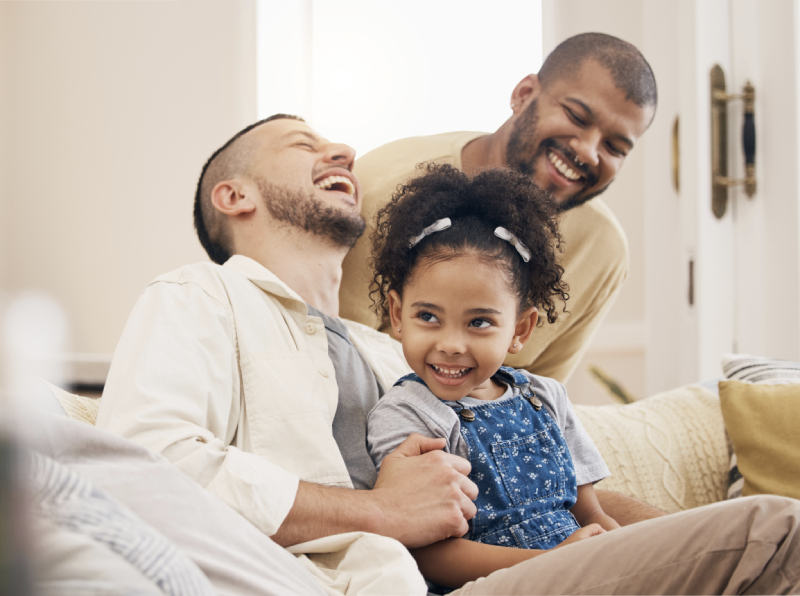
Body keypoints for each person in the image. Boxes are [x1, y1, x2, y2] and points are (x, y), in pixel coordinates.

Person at [97, 114, 800, 595]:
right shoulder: (200, 298)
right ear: (234, 194)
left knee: (770, 526)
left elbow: (538, 484)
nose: (341, 151)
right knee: (776, 530)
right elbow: (142, 464)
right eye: (302, 144)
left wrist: (642, 531)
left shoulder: (391, 353)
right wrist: (377, 512)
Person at [340, 32, 656, 385]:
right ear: (523, 95)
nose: (587, 151)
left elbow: (542, 400)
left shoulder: (603, 250)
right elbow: (335, 358)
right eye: (577, 117)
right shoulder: (381, 187)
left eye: (614, 146)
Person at [366, 164, 618, 590]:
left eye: (479, 322)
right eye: (428, 316)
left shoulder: (545, 396)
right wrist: (551, 563)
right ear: (397, 315)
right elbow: (428, 555)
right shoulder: (409, 416)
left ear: (519, 330)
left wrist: (624, 549)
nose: (451, 344)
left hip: (577, 572)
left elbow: (589, 512)